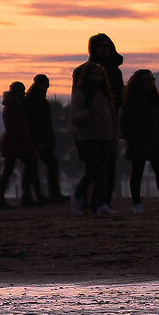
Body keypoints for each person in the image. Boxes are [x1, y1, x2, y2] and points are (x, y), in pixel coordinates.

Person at [68, 34, 124, 217]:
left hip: (108, 129)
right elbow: (76, 108)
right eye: (101, 47)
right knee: (94, 170)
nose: (105, 50)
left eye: (107, 47)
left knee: (108, 169)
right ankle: (84, 201)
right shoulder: (82, 72)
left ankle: (103, 203)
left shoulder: (115, 72)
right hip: (88, 133)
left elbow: (118, 101)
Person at [120, 69, 159, 214]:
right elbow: (124, 123)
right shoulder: (130, 102)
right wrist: (130, 139)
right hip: (137, 141)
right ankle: (136, 203)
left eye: (152, 79)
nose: (150, 82)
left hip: (153, 139)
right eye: (147, 80)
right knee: (137, 173)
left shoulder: (154, 100)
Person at [0, 83, 36, 205]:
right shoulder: (13, 108)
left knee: (8, 171)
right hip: (15, 144)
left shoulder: (11, 106)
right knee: (13, 169)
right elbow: (17, 129)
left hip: (12, 144)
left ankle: (2, 198)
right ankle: (25, 196)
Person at [27, 75, 61, 206]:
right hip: (38, 140)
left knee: (36, 168)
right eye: (45, 85)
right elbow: (37, 124)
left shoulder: (35, 100)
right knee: (44, 165)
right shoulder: (35, 101)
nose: (46, 87)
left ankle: (40, 195)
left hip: (41, 139)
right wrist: (41, 141)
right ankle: (48, 194)